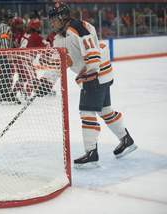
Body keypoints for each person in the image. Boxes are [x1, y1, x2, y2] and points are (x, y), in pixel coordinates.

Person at [44, 2, 137, 169]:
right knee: (104, 110)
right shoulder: (58, 38)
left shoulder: (77, 27)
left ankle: (91, 153)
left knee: (86, 110)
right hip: (97, 74)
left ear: (63, 16)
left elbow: (91, 49)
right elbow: (57, 63)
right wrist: (46, 81)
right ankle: (126, 139)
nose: (52, 23)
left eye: (55, 19)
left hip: (96, 74)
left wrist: (92, 72)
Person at [13, 18, 50, 98]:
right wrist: (49, 41)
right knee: (32, 79)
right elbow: (47, 46)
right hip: (25, 60)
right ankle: (28, 97)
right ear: (36, 27)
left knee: (22, 78)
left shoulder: (26, 33)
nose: (40, 28)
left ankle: (13, 93)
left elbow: (17, 43)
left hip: (18, 58)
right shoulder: (36, 37)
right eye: (39, 27)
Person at [0, 11, 21, 105]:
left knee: (3, 74)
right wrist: (8, 53)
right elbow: (4, 41)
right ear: (8, 19)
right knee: (6, 74)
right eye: (11, 19)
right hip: (3, 54)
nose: (12, 21)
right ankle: (4, 94)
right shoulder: (5, 27)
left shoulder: (1, 26)